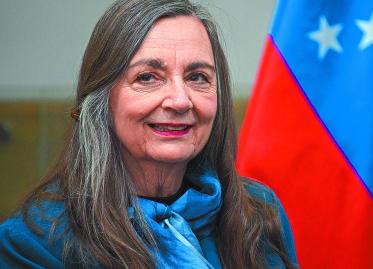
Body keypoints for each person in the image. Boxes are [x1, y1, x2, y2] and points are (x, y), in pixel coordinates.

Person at [0, 0, 298, 268]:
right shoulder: (34, 240)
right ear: (102, 98)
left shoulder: (259, 213)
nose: (180, 100)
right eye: (147, 77)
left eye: (197, 77)